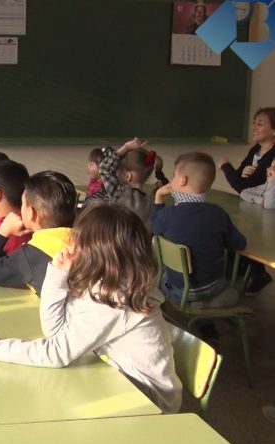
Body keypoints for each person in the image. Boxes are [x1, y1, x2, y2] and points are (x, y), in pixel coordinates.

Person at [0, 203, 182, 414]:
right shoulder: (107, 284)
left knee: (47, 408)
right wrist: (57, 273)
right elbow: (55, 331)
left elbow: (56, 354)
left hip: (148, 400)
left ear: (95, 253)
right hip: (119, 381)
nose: (71, 246)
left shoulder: (114, 298)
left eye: (78, 241)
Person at [153, 152, 247, 310]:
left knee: (159, 277)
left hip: (179, 289)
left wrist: (158, 197)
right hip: (213, 287)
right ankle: (206, 303)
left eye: (174, 175)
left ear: (182, 180)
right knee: (229, 283)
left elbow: (154, 228)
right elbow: (240, 244)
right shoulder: (218, 213)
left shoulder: (166, 215)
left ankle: (193, 304)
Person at [0, 170, 76, 296]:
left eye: (23, 204)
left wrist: (2, 232)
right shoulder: (88, 239)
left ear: (31, 213)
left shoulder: (30, 257)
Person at [219, 108, 275, 293]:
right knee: (240, 226)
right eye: (254, 122)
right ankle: (251, 270)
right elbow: (242, 180)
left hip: (269, 209)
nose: (254, 127)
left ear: (273, 130)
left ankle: (257, 272)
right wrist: (241, 174)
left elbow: (240, 186)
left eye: (260, 124)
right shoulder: (255, 150)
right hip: (256, 206)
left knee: (251, 233)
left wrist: (225, 166)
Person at [99, 137, 156, 231]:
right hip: (142, 245)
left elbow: (105, 168)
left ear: (128, 176)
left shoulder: (119, 193)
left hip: (118, 244)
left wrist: (125, 147)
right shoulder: (151, 202)